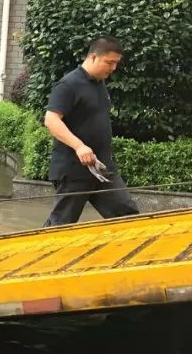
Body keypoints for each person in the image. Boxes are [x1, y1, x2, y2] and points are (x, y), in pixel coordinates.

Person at [42, 36, 139, 227]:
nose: (113, 68)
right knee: (61, 224)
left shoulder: (99, 84)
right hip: (74, 169)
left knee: (127, 215)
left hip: (102, 167)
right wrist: (79, 146)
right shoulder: (68, 85)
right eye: (109, 63)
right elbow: (51, 120)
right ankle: (38, 254)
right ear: (94, 57)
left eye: (116, 64)